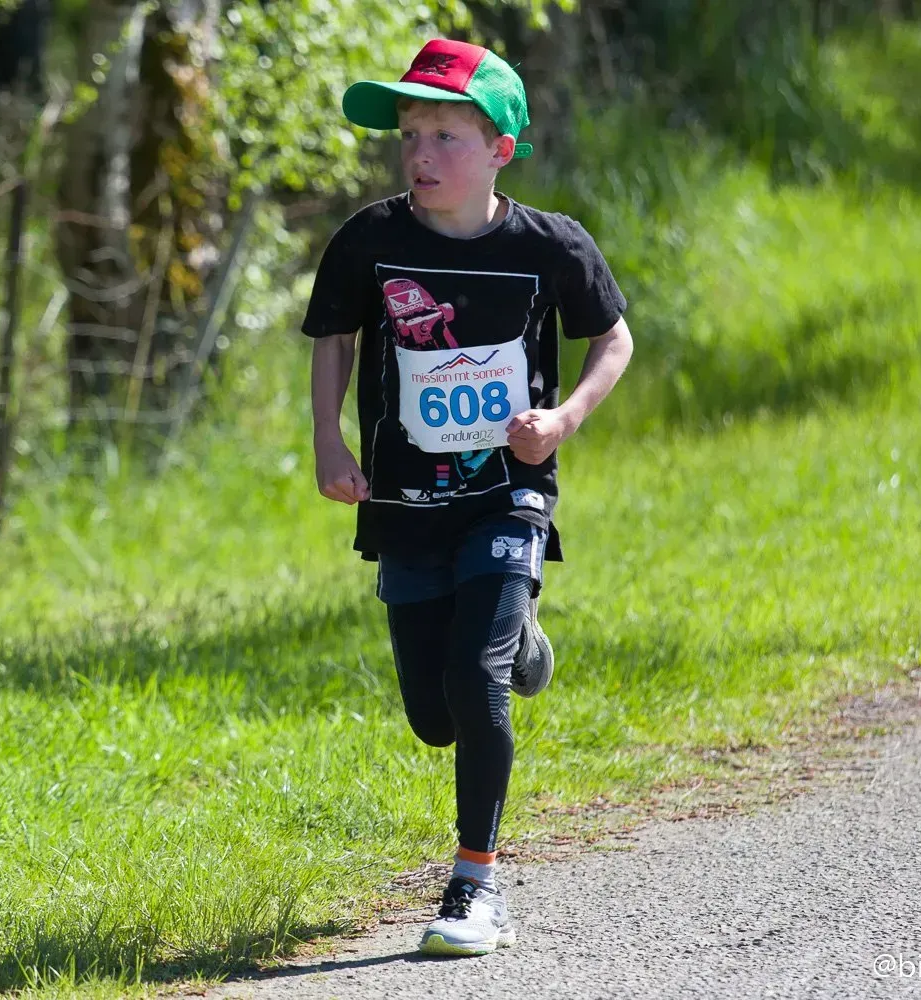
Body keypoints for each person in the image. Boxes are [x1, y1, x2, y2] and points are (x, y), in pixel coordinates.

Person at [299, 38, 634, 956]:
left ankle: (474, 887)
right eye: (412, 133)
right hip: (405, 503)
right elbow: (331, 338)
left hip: (507, 497)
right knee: (433, 715)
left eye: (447, 134)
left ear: (501, 150)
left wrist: (562, 419)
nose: (422, 154)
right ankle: (522, 643)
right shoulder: (370, 240)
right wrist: (328, 440)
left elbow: (615, 342)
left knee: (474, 685)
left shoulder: (550, 246)